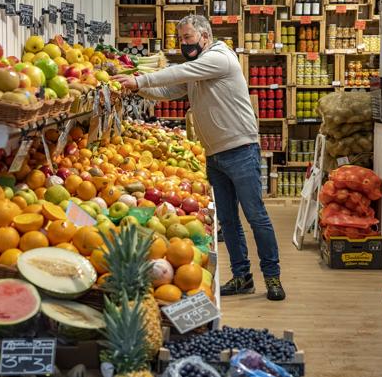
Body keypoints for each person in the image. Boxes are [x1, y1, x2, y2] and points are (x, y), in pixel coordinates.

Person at [113, 15, 285, 301]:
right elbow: (168, 91)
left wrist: (139, 78)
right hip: (214, 154)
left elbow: (179, 73)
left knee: (256, 217)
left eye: (188, 38)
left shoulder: (220, 57)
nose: (184, 43)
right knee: (228, 221)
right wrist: (136, 86)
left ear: (205, 36)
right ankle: (242, 276)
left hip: (241, 150)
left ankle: (273, 277)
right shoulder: (198, 70)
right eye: (181, 39)